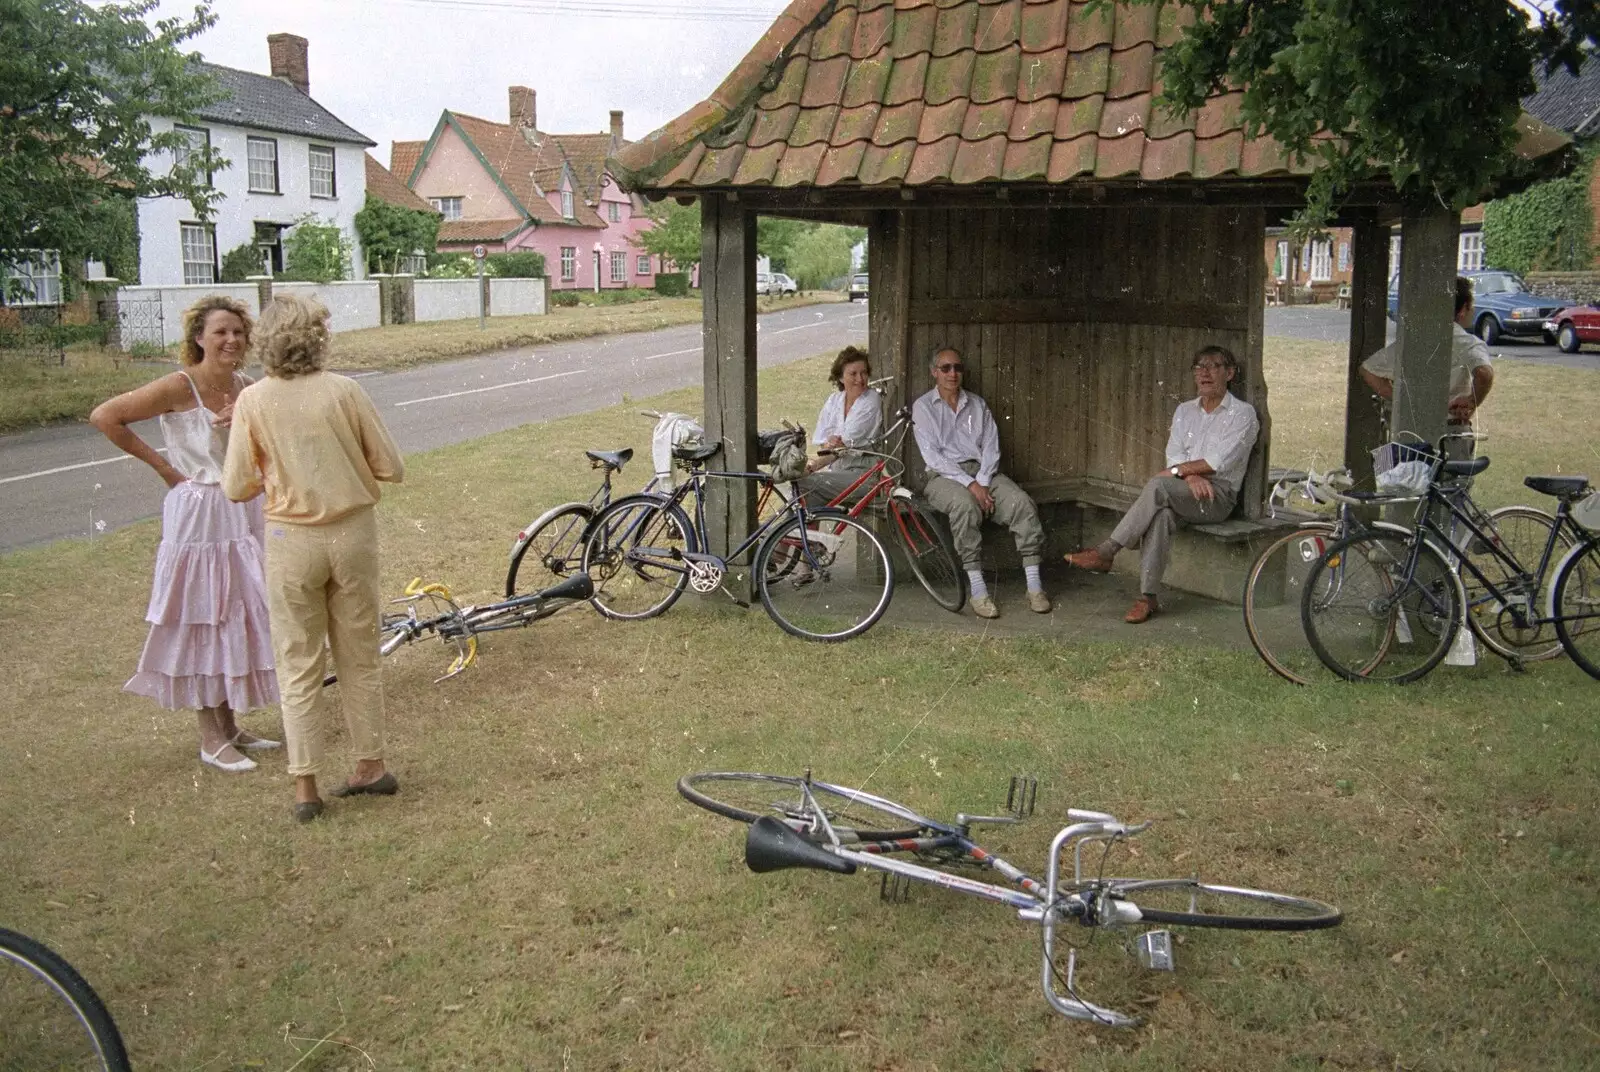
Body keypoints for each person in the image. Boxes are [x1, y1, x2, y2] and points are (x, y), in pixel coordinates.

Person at [222, 294, 405, 824]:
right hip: (351, 532)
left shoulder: (254, 401)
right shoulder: (345, 391)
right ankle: (370, 764)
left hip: (289, 538)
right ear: (317, 337)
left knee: (297, 659)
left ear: (264, 342)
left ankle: (306, 786)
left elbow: (236, 485)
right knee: (359, 655)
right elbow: (391, 466)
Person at [90, 296, 281, 773]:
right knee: (202, 613)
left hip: (241, 510)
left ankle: (230, 723)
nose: (231, 340)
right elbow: (105, 416)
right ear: (199, 338)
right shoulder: (179, 386)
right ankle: (209, 735)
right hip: (199, 512)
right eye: (220, 332)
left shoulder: (246, 386)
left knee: (236, 608)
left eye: (238, 332)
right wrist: (166, 469)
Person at [1065, 345, 1259, 624]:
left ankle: (1107, 552)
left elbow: (1220, 461)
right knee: (1161, 516)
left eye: (1213, 366)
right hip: (1184, 489)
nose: (1204, 373)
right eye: (1199, 367)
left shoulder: (1242, 414)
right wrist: (1189, 475)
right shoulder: (1185, 411)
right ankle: (1147, 597)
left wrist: (1181, 472)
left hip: (1217, 497)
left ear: (1229, 373)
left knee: (1158, 484)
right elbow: (1175, 455)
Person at [912, 346, 1049, 619]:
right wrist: (971, 485)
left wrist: (983, 481)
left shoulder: (977, 404)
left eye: (957, 368)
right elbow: (933, 457)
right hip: (943, 477)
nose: (953, 374)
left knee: (1021, 503)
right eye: (946, 368)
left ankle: (1034, 586)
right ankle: (978, 591)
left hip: (983, 473)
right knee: (965, 507)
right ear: (934, 373)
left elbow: (991, 447)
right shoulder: (923, 407)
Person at [1359, 275, 1494, 451]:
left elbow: (1368, 370)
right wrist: (1471, 401)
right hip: (1450, 431)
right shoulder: (1468, 342)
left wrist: (1403, 400)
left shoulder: (1415, 339)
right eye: (1472, 307)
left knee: (1399, 475)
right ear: (1464, 308)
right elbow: (1484, 373)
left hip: (1408, 429)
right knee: (1451, 478)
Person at [798, 345, 883, 506]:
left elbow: (841, 447)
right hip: (837, 472)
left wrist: (811, 467)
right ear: (841, 378)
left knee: (804, 484)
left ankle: (794, 531)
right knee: (805, 500)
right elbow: (824, 442)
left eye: (864, 373)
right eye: (853, 374)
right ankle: (805, 531)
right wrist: (829, 444)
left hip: (863, 475)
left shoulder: (871, 400)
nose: (860, 379)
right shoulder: (834, 400)